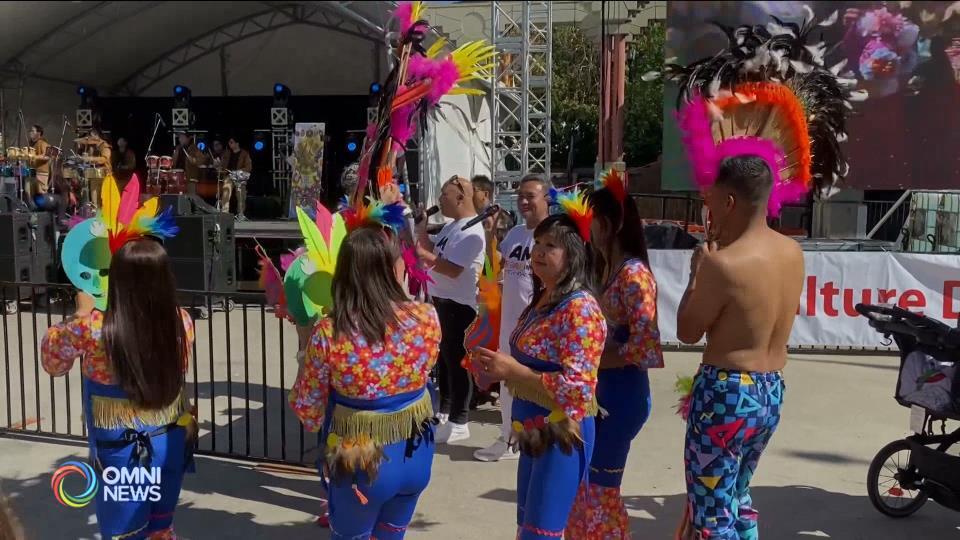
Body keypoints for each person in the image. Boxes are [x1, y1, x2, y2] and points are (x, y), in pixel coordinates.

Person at [676, 156, 802, 540]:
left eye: (711, 201)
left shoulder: (723, 265)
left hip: (726, 393)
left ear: (729, 202)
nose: (708, 210)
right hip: (770, 390)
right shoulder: (793, 253)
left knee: (712, 515)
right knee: (738, 497)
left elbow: (687, 331)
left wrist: (697, 274)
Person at [290, 225, 441, 540]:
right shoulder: (426, 316)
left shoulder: (331, 331)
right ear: (391, 268)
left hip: (363, 460)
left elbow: (309, 412)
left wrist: (306, 357)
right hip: (416, 454)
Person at [41, 239, 196, 540]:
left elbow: (53, 363)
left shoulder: (93, 328)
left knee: (126, 531)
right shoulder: (182, 320)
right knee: (161, 525)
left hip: (123, 450)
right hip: (170, 439)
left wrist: (79, 315)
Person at [472, 192, 606, 540]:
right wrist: (495, 367)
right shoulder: (544, 296)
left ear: (574, 256)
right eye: (539, 244)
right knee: (529, 529)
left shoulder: (581, 309)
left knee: (540, 534)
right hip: (533, 430)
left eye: (552, 246)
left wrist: (512, 371)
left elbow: (578, 388)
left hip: (561, 432)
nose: (540, 252)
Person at [566, 170, 663, 538]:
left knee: (600, 493)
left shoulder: (634, 276)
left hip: (621, 398)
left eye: (587, 223)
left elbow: (644, 348)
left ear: (605, 225)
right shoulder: (607, 269)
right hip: (600, 393)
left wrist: (585, 360)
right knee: (584, 489)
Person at [473, 174, 551, 463]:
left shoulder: (555, 234)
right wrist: (490, 234)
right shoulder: (516, 234)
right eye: (521, 195)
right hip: (510, 324)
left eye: (531, 195)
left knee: (533, 383)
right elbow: (495, 273)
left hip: (539, 326)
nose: (524, 200)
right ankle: (508, 437)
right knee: (505, 380)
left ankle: (527, 437)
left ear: (547, 199)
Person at [415, 176, 485, 444]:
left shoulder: (472, 231)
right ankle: (445, 411)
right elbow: (433, 250)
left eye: (445, 194)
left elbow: (453, 269)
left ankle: (460, 418)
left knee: (458, 363)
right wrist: (421, 231)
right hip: (441, 301)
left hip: (459, 306)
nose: (441, 199)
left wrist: (425, 257)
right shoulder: (452, 226)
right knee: (444, 361)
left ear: (461, 198)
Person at [219, 137, 253, 219]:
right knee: (226, 192)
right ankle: (224, 212)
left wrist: (239, 171)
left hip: (239, 176)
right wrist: (218, 164)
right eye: (229, 142)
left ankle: (240, 214)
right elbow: (222, 166)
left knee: (241, 195)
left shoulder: (244, 153)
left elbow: (249, 167)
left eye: (231, 142)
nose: (229, 144)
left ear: (237, 143)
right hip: (229, 175)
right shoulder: (227, 153)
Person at [27, 124, 51, 197]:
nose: (30, 132)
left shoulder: (42, 143)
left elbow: (47, 156)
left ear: (38, 133)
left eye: (33, 131)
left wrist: (34, 156)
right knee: (33, 194)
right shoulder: (33, 144)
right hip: (34, 172)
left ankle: (44, 208)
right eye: (30, 131)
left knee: (42, 194)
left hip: (41, 172)